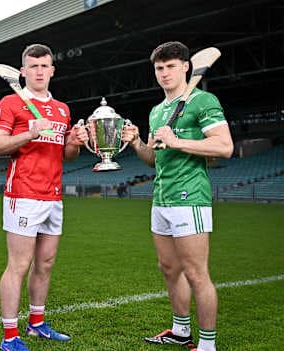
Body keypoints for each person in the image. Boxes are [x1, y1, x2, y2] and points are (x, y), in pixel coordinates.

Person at [121, 41, 233, 351]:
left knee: (197, 274)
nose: (165, 73)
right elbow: (154, 158)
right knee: (169, 269)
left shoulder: (202, 101)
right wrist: (136, 143)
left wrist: (178, 140)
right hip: (162, 198)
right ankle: (181, 330)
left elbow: (224, 147)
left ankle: (207, 345)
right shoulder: (158, 111)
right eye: (159, 68)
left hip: (190, 198)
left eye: (171, 66)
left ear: (186, 67)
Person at [0, 44, 88, 351]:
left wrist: (75, 141)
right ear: (23, 71)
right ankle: (9, 337)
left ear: (52, 70)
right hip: (23, 194)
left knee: (45, 264)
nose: (39, 71)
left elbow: (66, 155)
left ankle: (37, 324)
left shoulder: (62, 109)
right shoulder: (12, 102)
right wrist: (30, 133)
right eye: (33, 66)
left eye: (44, 66)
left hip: (53, 196)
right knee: (18, 265)